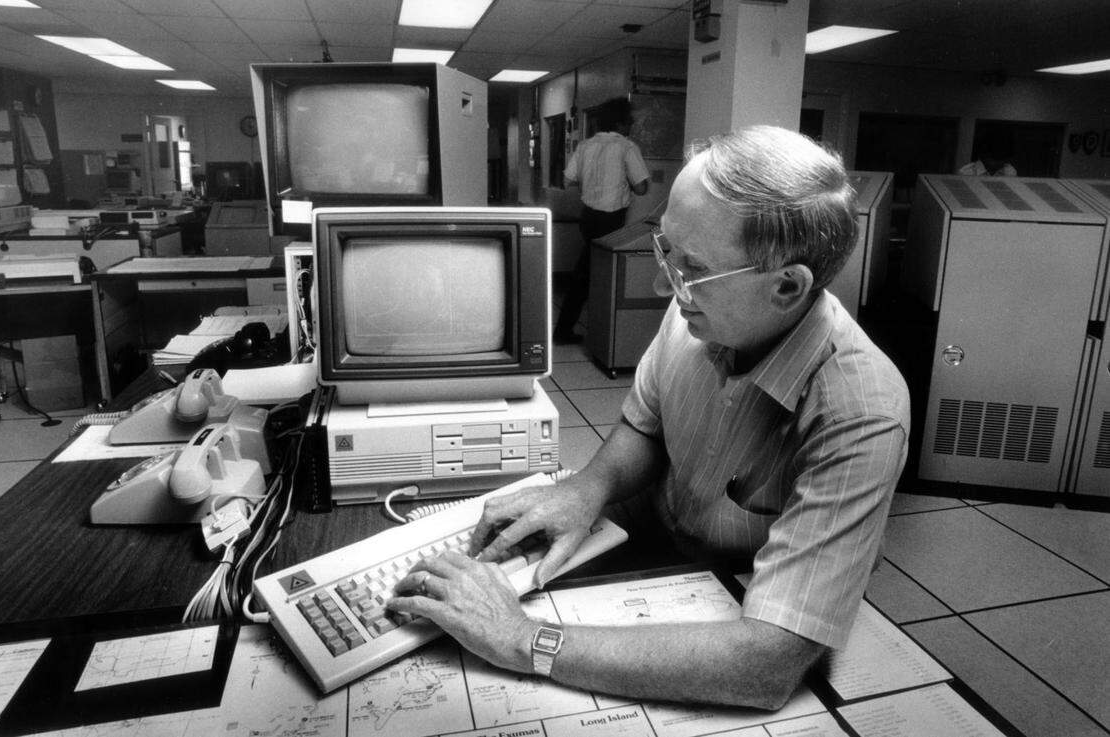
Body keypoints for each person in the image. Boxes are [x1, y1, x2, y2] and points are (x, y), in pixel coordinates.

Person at [388, 125, 910, 710]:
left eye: (691, 267)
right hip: (653, 546)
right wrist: (588, 487)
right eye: (666, 249)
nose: (667, 284)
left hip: (737, 605)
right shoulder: (699, 309)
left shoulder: (862, 414)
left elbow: (768, 663)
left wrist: (522, 639)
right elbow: (644, 426)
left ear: (788, 286)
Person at [554, 97, 651, 343]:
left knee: (589, 271)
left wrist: (593, 183)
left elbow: (568, 179)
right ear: (620, 123)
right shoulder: (627, 147)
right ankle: (575, 331)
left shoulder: (586, 145)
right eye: (628, 122)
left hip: (587, 218)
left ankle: (578, 327)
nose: (630, 126)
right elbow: (641, 188)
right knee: (596, 274)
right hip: (611, 221)